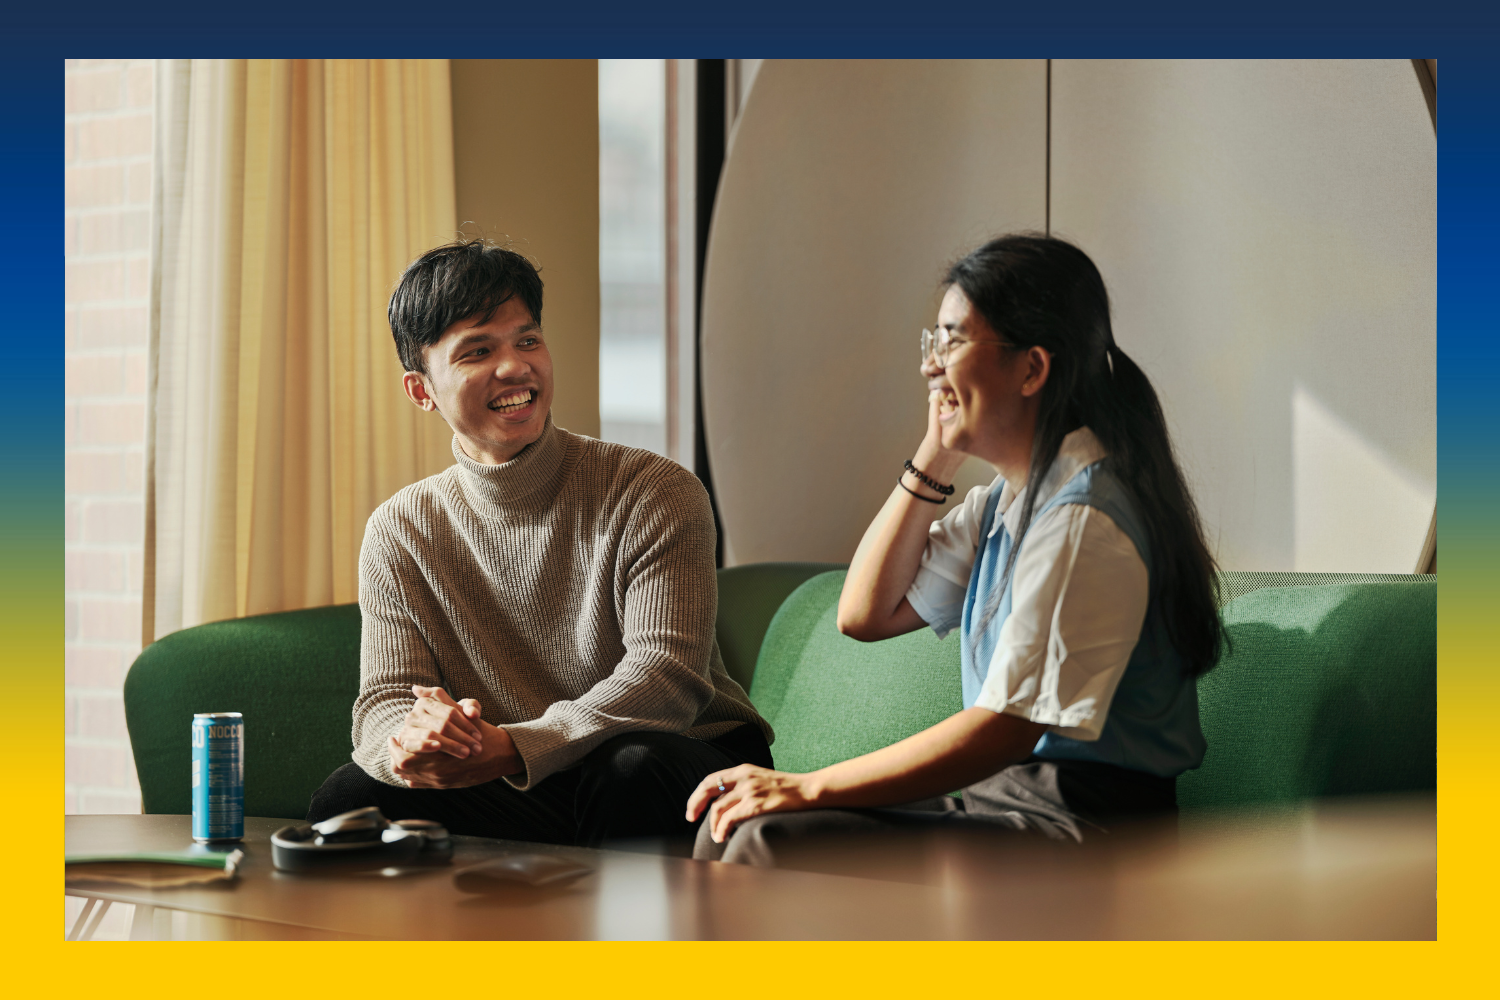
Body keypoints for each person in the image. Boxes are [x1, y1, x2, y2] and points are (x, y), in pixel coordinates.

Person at [688, 234, 1225, 866]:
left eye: (952, 341)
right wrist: (937, 449)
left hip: (1086, 833)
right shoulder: (1005, 502)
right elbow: (864, 614)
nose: (929, 364)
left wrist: (806, 786)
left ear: (1031, 369)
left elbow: (1006, 727)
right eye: (932, 341)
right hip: (1001, 803)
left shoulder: (1085, 521)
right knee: (732, 826)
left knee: (768, 839)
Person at [307, 237, 772, 847]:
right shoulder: (401, 530)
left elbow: (666, 679)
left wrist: (515, 747)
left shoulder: (652, 490)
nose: (515, 368)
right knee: (351, 798)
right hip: (531, 776)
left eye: (528, 341)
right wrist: (418, 745)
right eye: (478, 351)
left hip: (685, 759)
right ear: (422, 390)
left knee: (631, 767)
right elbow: (384, 703)